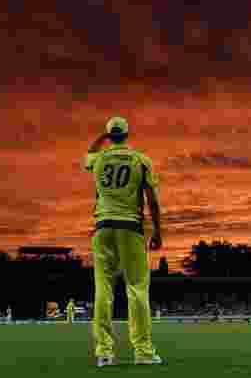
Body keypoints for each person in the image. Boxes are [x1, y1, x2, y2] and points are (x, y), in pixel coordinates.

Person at [85, 116, 164, 367]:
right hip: (130, 228)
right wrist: (158, 230)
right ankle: (143, 352)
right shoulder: (141, 160)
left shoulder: (99, 159)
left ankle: (104, 352)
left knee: (102, 291)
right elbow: (152, 200)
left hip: (103, 228)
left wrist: (103, 137)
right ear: (127, 134)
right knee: (138, 291)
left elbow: (89, 152)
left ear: (110, 136)